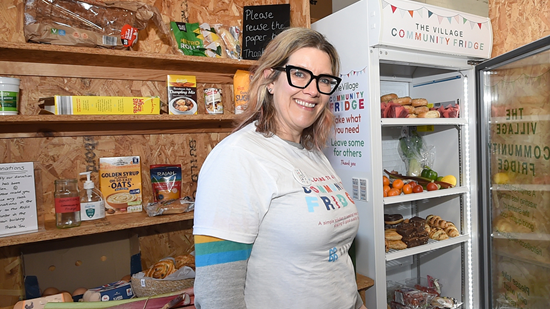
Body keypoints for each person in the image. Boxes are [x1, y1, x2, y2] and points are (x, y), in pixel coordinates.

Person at [193, 27, 365, 309]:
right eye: (299, 74)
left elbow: (334, 261)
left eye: (324, 80)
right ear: (269, 79)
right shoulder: (237, 157)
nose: (312, 91)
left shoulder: (313, 154)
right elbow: (217, 295)